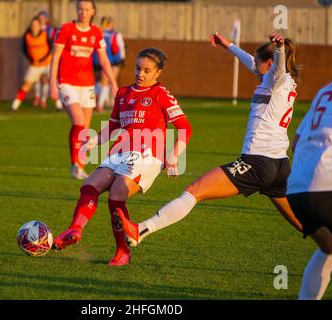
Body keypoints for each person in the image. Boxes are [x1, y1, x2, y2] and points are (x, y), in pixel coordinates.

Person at [115, 32, 303, 249]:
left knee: (195, 191)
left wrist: (278, 48)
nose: (254, 68)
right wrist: (229, 46)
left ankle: (140, 230)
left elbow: (276, 67)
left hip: (258, 162)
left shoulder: (274, 77)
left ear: (269, 63)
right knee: (304, 224)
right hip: (280, 164)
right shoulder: (287, 81)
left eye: (258, 62)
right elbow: (256, 64)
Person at [53, 48, 193, 266]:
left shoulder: (161, 94)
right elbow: (113, 126)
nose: (140, 74)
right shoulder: (123, 92)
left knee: (117, 191)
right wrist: (93, 141)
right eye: (138, 68)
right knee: (90, 185)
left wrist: (174, 156)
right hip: (120, 152)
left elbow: (185, 127)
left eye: (147, 71)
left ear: (157, 74)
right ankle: (75, 229)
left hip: (148, 155)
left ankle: (122, 251)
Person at [50, 0, 118, 179]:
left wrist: (113, 82)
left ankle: (79, 165)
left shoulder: (96, 32)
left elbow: (103, 60)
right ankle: (75, 165)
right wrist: (52, 84)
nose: (83, 12)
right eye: (80, 9)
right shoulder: (66, 29)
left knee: (85, 128)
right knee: (79, 121)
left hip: (87, 84)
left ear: (93, 11)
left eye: (87, 9)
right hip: (66, 82)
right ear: (77, 10)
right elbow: (55, 57)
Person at [286, 82, 332, 300]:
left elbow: (295, 143)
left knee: (328, 250)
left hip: (297, 189)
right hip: (325, 187)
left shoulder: (324, 91)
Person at [11, 17, 52, 111]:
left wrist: (42, 59)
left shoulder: (44, 35)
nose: (34, 27)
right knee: (26, 85)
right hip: (35, 65)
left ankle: (59, 105)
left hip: (47, 63)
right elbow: (25, 51)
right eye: (33, 25)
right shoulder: (27, 36)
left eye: (36, 25)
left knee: (54, 83)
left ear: (40, 26)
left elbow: (50, 49)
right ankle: (14, 105)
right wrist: (32, 60)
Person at [93, 16, 125, 112]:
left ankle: (102, 101)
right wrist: (122, 59)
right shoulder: (115, 34)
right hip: (113, 61)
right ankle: (103, 104)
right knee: (110, 82)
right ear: (110, 24)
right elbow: (121, 47)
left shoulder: (99, 33)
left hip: (98, 60)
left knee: (101, 82)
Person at [33, 10, 61, 109]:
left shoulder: (50, 30)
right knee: (36, 79)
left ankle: (44, 99)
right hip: (36, 57)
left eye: (43, 17)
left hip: (48, 58)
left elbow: (54, 42)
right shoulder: (35, 27)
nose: (42, 19)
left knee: (47, 79)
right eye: (40, 17)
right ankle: (37, 96)